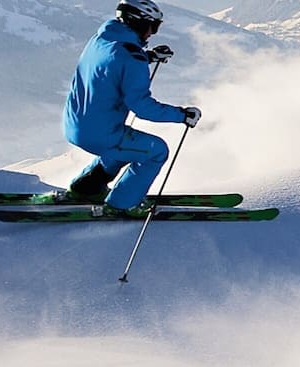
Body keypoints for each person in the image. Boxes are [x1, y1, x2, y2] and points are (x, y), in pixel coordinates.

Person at [53, 0, 202, 218]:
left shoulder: (101, 39)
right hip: (100, 134)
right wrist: (182, 115)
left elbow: (112, 65)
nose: (153, 32)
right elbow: (142, 107)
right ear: (139, 23)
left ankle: (86, 188)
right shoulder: (131, 57)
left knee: (126, 146)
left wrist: (147, 57)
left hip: (75, 126)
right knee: (156, 150)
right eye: (153, 26)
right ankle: (121, 205)